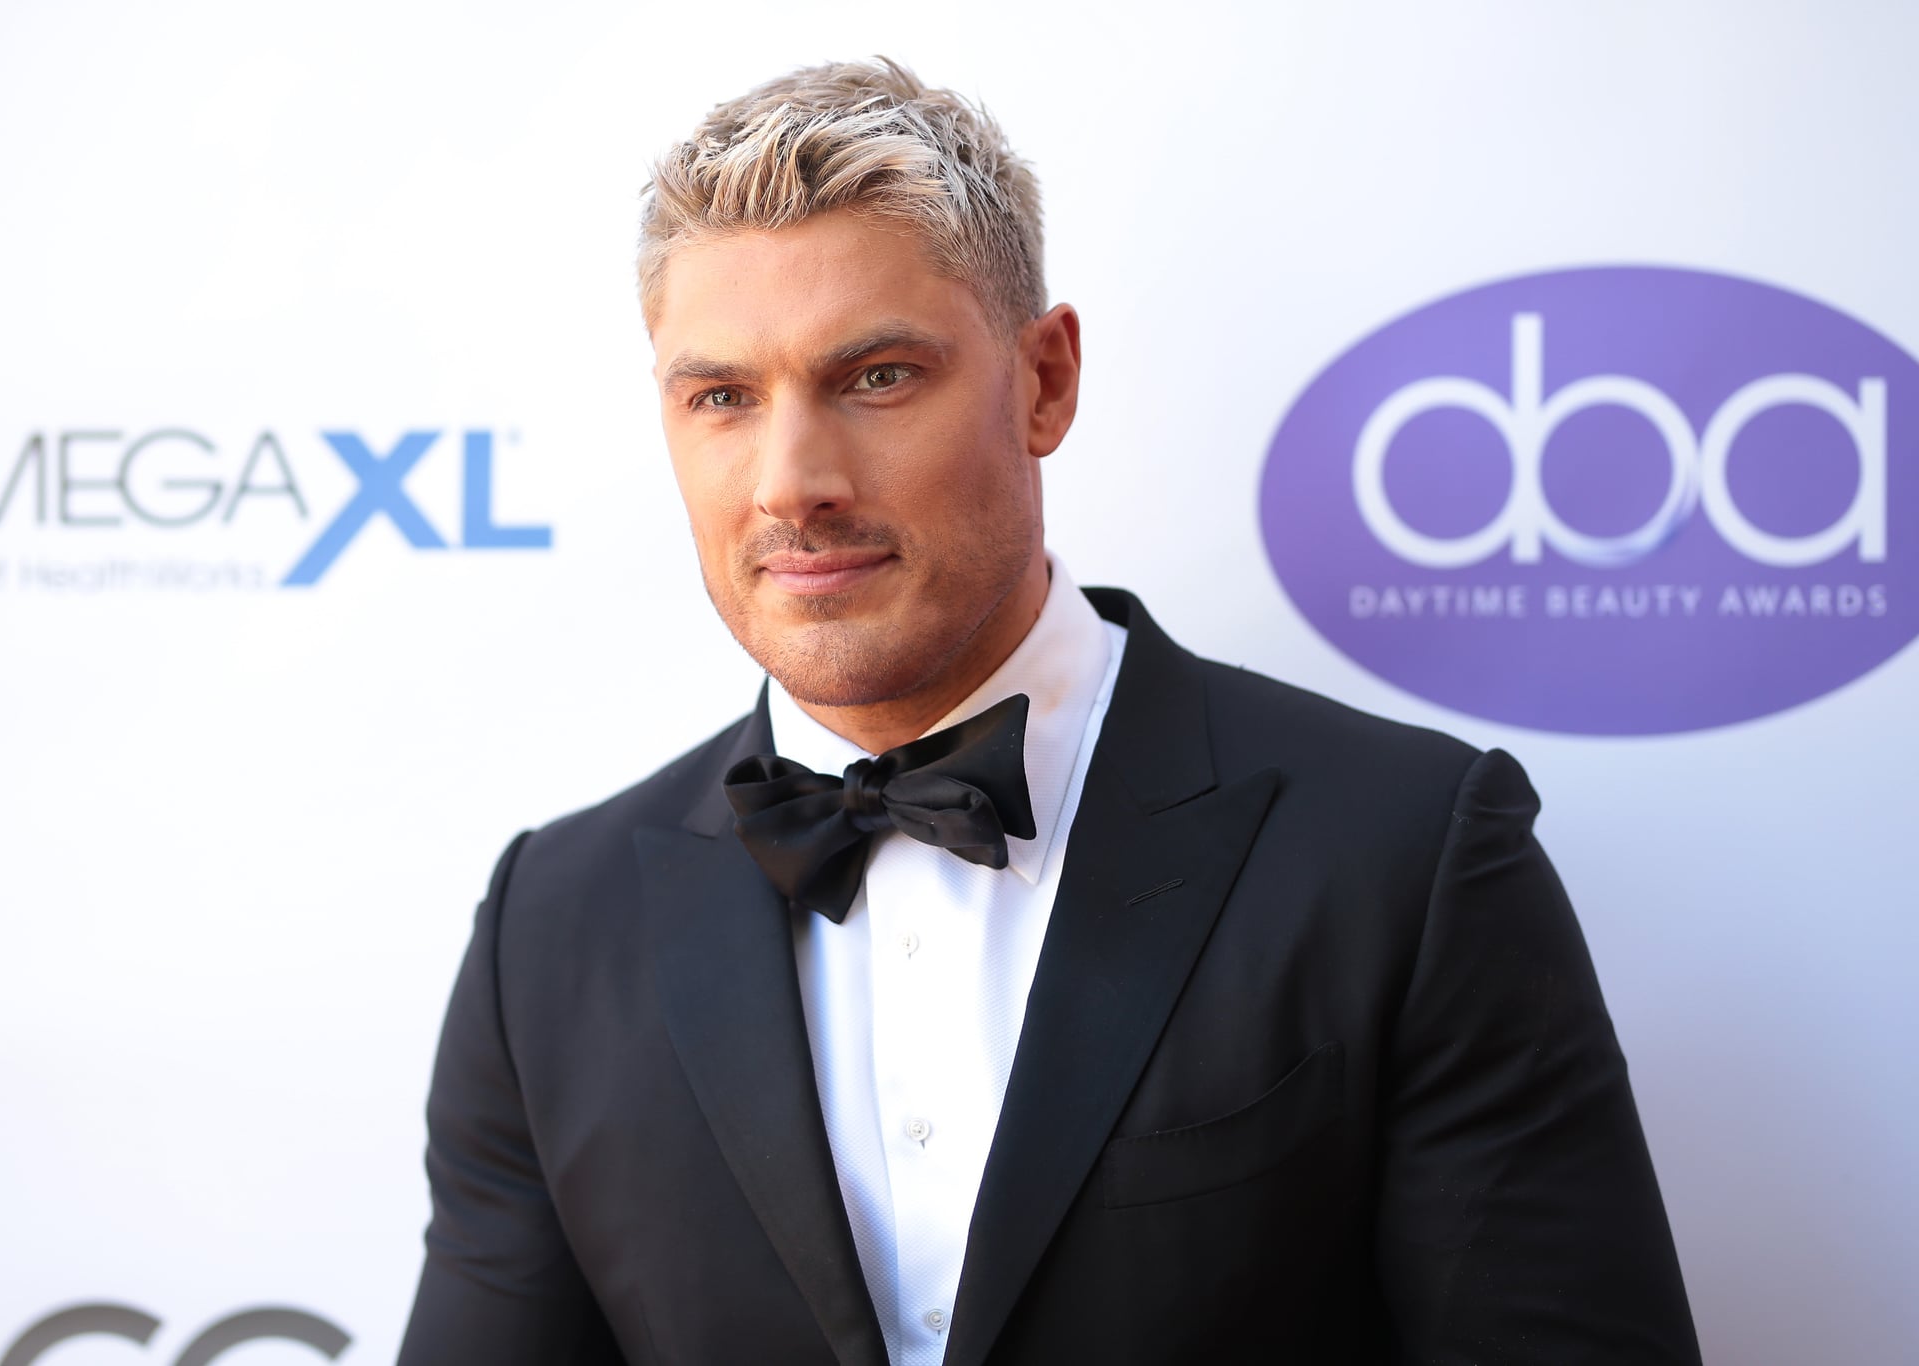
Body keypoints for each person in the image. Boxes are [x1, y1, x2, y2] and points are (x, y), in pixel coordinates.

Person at [397, 58, 1701, 1366]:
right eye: (723, 397)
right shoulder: (548, 930)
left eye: (877, 377)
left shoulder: (1403, 856)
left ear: (1045, 379)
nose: (793, 483)